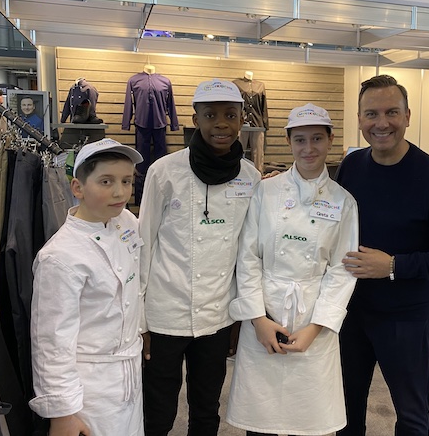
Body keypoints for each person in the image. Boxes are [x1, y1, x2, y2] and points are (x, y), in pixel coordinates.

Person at [335, 75, 429, 436]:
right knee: (344, 409)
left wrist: (393, 266)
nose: (381, 123)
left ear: (408, 116)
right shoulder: (351, 167)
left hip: (409, 318)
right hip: (351, 312)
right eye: (371, 114)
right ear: (359, 118)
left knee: (411, 415)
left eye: (392, 112)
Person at [226, 103, 358, 436]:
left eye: (317, 138)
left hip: (314, 320)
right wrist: (258, 320)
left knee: (308, 421)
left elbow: (342, 271)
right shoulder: (265, 191)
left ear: (330, 140)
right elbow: (248, 256)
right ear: (288, 142)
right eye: (300, 139)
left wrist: (315, 327)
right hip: (265, 314)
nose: (308, 148)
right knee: (261, 421)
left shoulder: (344, 201)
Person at [139, 79, 262, 436]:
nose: (221, 124)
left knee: (207, 409)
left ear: (242, 119)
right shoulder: (164, 171)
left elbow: (248, 252)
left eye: (230, 115)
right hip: (165, 313)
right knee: (157, 409)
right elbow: (144, 244)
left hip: (216, 315)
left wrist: (241, 316)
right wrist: (139, 320)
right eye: (210, 115)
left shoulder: (251, 177)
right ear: (195, 119)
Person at [29, 138, 144, 436]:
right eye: (106, 181)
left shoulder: (125, 221)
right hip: (89, 387)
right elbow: (52, 342)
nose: (120, 192)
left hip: (128, 373)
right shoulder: (60, 257)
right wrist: (62, 413)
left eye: (126, 181)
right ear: (77, 188)